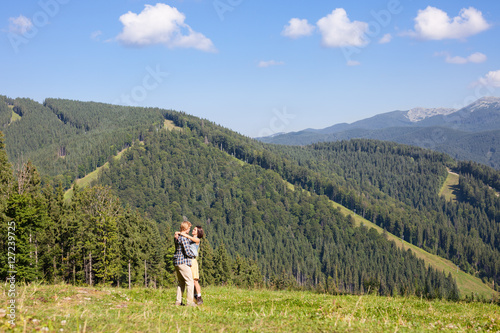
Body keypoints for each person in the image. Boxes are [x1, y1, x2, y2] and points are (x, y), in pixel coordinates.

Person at [177, 226, 204, 304]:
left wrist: (182, 234)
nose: (193, 230)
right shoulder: (190, 238)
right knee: (190, 280)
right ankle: (194, 296)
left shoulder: (197, 239)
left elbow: (191, 238)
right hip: (188, 260)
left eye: (195, 229)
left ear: (198, 232)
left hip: (193, 261)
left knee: (195, 281)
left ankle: (199, 297)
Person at [173, 221, 197, 306]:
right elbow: (187, 252)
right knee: (190, 282)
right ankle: (190, 302)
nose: (189, 230)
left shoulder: (177, 237)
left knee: (181, 282)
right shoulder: (184, 238)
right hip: (183, 262)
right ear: (186, 228)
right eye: (189, 228)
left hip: (176, 262)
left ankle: (178, 301)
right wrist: (193, 255)